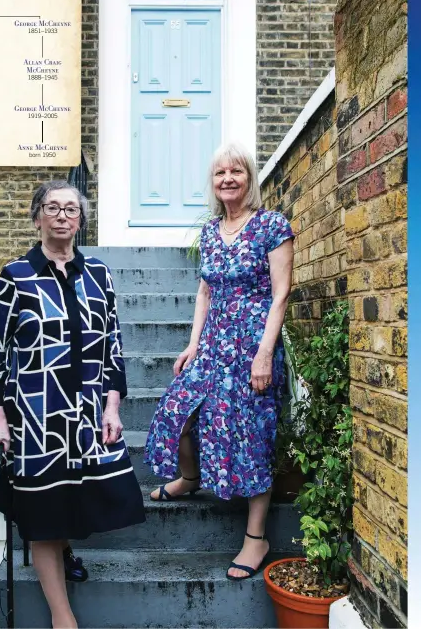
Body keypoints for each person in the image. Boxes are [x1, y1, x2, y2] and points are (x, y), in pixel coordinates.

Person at [0, 180, 145, 628]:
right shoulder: (16, 277)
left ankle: (66, 549)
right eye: (53, 208)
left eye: (72, 208)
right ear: (37, 218)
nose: (63, 215)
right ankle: (61, 614)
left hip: (87, 411)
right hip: (35, 415)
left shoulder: (99, 275)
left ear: (81, 219)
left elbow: (112, 345)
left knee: (79, 495)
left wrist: (112, 407)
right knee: (45, 510)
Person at [144, 141, 294, 581]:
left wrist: (265, 353)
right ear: (213, 183)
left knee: (252, 432)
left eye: (236, 171)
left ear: (250, 178)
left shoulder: (271, 225)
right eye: (219, 173)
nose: (228, 178)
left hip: (252, 345)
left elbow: (281, 292)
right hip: (212, 345)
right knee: (179, 411)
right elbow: (206, 290)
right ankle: (191, 478)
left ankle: (255, 538)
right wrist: (193, 344)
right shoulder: (211, 231)